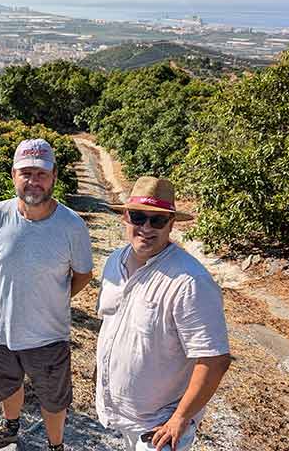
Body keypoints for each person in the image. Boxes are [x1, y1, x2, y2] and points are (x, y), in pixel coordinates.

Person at [0, 138, 94, 450]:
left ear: (53, 176)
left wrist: (52, 298)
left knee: (53, 398)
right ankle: (9, 428)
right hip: (0, 330)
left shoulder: (71, 225)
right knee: (6, 384)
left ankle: (55, 446)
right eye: (26, 173)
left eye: (41, 174)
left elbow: (83, 275)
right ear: (13, 175)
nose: (33, 181)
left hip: (48, 335)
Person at [96, 176, 232, 451]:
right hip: (123, 416)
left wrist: (179, 419)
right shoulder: (114, 261)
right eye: (138, 217)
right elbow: (112, 324)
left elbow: (215, 359)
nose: (146, 227)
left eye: (157, 220)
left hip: (160, 425)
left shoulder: (189, 281)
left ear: (171, 224)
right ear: (125, 217)